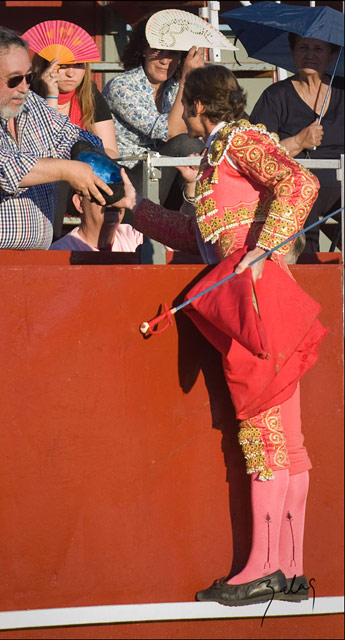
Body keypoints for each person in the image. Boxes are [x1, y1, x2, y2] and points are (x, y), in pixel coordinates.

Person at [129, 64, 326, 606]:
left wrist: (265, 249)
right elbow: (194, 236)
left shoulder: (240, 139)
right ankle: (287, 569)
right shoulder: (221, 154)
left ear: (196, 105)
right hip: (258, 298)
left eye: (182, 105)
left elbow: (301, 180)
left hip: (258, 300)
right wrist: (134, 207)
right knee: (286, 437)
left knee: (266, 435)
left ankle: (266, 567)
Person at [0, 26, 118, 251]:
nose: (25, 87)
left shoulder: (28, 101)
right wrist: (68, 169)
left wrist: (92, 160)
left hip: (33, 259)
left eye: (29, 77)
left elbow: (74, 136)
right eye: (14, 79)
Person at [250, 34, 344, 252]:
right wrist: (299, 141)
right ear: (292, 53)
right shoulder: (275, 96)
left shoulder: (342, 91)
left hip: (342, 183)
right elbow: (255, 153)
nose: (309, 55)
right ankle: (308, 274)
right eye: (303, 47)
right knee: (300, 199)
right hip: (297, 183)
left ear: (332, 56)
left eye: (318, 49)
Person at [26, 21, 119, 241]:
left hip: (86, 178)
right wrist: (51, 95)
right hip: (46, 179)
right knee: (57, 181)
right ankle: (50, 245)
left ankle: (121, 246)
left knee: (122, 178)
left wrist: (81, 166)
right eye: (63, 65)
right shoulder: (29, 95)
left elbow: (111, 152)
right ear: (46, 65)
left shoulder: (90, 96)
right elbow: (45, 148)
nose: (70, 73)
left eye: (78, 65)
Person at [102, 12, 205, 207]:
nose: (165, 61)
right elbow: (170, 133)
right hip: (130, 178)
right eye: (159, 51)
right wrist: (186, 79)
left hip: (168, 175)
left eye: (173, 53)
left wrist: (199, 80)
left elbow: (201, 126)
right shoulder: (121, 86)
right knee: (185, 142)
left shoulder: (174, 88)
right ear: (143, 50)